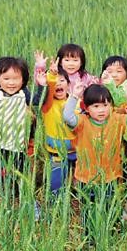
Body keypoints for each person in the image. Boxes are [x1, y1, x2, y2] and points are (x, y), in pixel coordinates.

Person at [62, 83, 127, 185]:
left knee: (108, 200)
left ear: (111, 105)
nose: (101, 110)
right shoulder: (83, 122)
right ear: (86, 108)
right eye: (96, 106)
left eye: (105, 105)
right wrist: (75, 96)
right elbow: (67, 117)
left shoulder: (117, 119)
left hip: (111, 175)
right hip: (86, 176)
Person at [0, 57, 38, 187]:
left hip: (18, 146)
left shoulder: (24, 94)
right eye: (6, 78)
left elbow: (39, 100)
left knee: (18, 176)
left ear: (23, 80)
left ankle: (17, 196)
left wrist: (44, 83)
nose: (11, 83)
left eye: (16, 78)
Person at [34, 51, 80, 193]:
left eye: (62, 80)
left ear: (68, 83)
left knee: (81, 180)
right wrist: (49, 75)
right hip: (56, 151)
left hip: (77, 150)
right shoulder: (47, 105)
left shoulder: (77, 101)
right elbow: (44, 89)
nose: (58, 84)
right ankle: (55, 198)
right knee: (55, 184)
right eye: (55, 82)